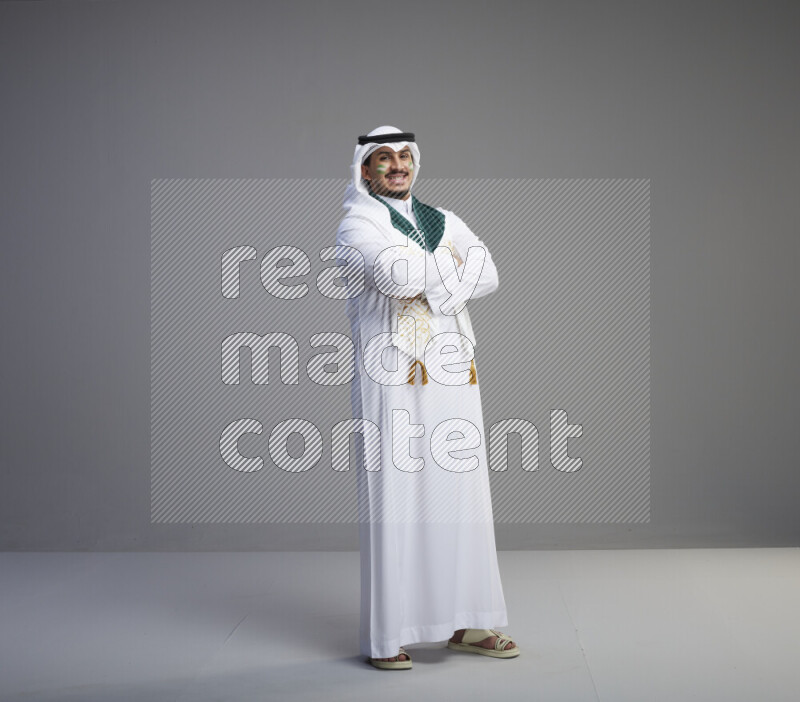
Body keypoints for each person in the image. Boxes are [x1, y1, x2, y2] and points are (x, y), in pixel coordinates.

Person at [334, 125, 519, 670]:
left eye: (405, 157)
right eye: (384, 158)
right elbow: (394, 277)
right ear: (365, 169)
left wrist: (429, 274)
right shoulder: (357, 223)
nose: (398, 166)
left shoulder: (444, 217)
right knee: (398, 495)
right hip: (392, 371)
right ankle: (389, 634)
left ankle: (468, 621)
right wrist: (452, 268)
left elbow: (490, 274)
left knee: (460, 492)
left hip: (453, 368)